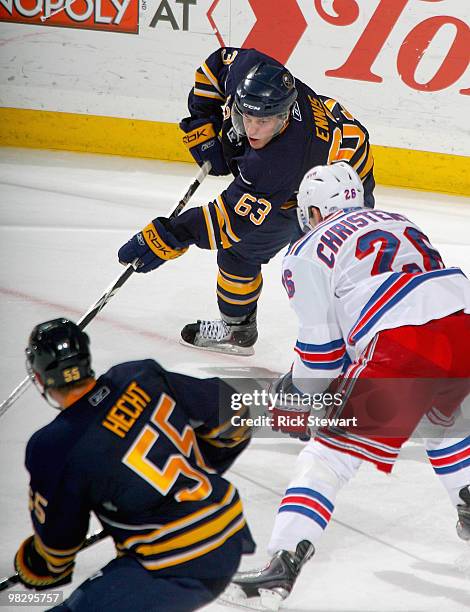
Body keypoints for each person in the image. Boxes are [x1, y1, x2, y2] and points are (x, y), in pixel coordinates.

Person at [225, 162, 470, 610]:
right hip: (463, 327)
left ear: (314, 211)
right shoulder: (400, 220)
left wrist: (296, 397)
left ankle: (282, 562)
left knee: (327, 457)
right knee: (446, 418)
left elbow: (321, 358)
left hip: (405, 342)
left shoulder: (307, 249)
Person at [118, 47, 375, 356]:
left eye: (263, 122)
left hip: (339, 193)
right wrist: (204, 122)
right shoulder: (252, 71)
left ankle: (362, 343)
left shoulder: (276, 163)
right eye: (246, 116)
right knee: (237, 256)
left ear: (283, 117)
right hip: (303, 174)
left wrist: (172, 234)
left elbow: (226, 221)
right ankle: (237, 331)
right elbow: (217, 65)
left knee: (329, 276)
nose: (252, 129)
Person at [14, 318, 255, 611]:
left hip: (174, 564)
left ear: (40, 378)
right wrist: (199, 470)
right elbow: (236, 412)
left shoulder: (54, 446)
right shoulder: (140, 374)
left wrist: (32, 562)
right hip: (229, 532)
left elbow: (57, 555)